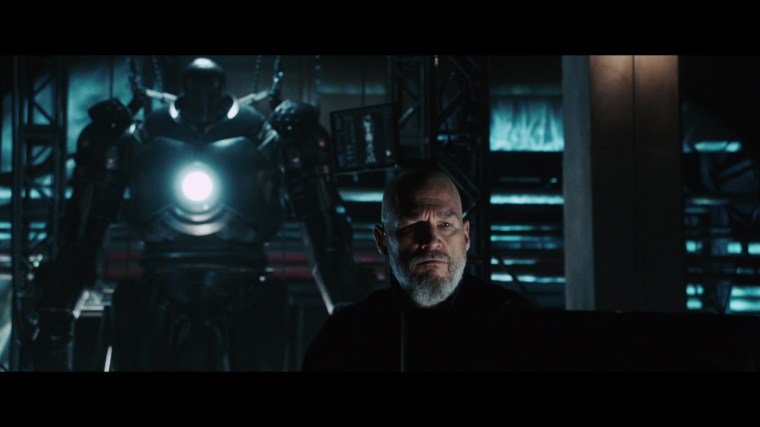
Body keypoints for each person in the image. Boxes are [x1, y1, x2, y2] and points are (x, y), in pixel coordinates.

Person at [29, 58, 360, 371]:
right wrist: (57, 314)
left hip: (244, 284)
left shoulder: (266, 133)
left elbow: (325, 231)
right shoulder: (137, 134)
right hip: (160, 283)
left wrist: (347, 310)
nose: (203, 98)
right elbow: (84, 233)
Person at [301, 165, 534, 371]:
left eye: (445, 225)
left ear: (466, 236)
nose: (432, 241)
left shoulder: (514, 323)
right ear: (382, 240)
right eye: (412, 226)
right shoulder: (344, 337)